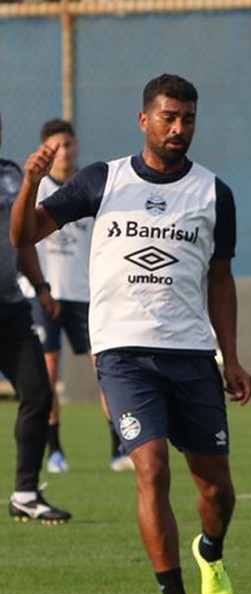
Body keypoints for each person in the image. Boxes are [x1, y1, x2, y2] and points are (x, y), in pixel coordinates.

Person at [10, 74, 251, 594]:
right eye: (168, 117)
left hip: (192, 355)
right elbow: (24, 234)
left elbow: (221, 280)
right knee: (151, 468)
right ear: (144, 120)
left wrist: (231, 358)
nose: (178, 128)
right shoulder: (104, 180)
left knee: (216, 489)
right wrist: (31, 183)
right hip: (121, 353)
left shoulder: (215, 193)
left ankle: (210, 551)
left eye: (188, 118)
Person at [22, 119, 133, 474]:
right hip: (45, 297)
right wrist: (39, 289)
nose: (65, 152)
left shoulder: (89, 189)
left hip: (85, 297)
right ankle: (55, 451)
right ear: (45, 150)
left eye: (69, 144)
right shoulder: (37, 192)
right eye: (57, 146)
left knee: (107, 369)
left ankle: (120, 448)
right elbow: (22, 236)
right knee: (49, 373)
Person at [1, 109, 72, 525]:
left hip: (10, 306)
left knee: (39, 393)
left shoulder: (11, 175)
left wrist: (41, 287)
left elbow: (23, 236)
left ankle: (26, 493)